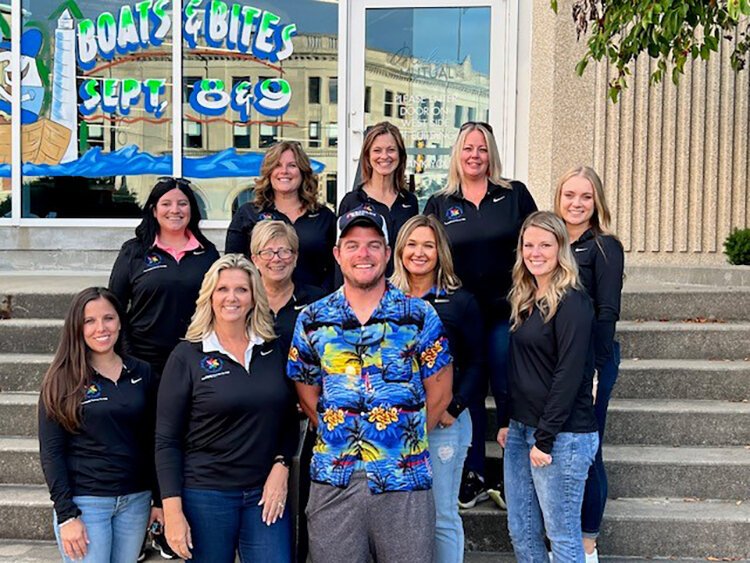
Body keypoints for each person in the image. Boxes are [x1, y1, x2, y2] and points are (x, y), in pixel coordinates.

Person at [287, 208, 453, 562]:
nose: (363, 254)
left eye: (373, 245)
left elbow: (440, 391)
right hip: (335, 478)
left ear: (387, 253)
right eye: (353, 245)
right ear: (337, 254)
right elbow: (305, 390)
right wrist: (339, 429)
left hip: (404, 479)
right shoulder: (312, 320)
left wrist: (401, 439)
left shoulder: (419, 315)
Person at [155, 254, 298, 563]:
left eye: (241, 290)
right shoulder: (187, 356)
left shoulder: (273, 349)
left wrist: (281, 464)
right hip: (206, 496)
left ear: (254, 297)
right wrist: (173, 510)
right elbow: (166, 441)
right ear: (210, 296)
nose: (231, 298)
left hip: (265, 495)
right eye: (222, 289)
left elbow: (288, 417)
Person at [424, 121, 537, 509]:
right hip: (459, 313)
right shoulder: (440, 202)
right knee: (467, 389)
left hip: (507, 308)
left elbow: (537, 241)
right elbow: (428, 253)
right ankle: (471, 474)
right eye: (468, 149)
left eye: (482, 149)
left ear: (492, 154)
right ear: (458, 153)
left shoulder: (513, 195)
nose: (475, 156)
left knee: (506, 381)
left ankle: (509, 475)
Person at [497, 211, 599, 562]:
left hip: (561, 437)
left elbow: (568, 375)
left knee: (562, 537)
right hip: (522, 430)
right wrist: (508, 421)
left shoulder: (573, 302)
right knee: (521, 531)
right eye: (528, 245)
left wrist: (544, 438)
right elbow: (523, 368)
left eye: (545, 244)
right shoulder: (526, 298)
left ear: (561, 249)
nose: (535, 252)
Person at [38, 287, 161, 563]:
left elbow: (155, 440)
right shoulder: (61, 379)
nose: (101, 328)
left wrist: (160, 500)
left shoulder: (142, 372)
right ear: (76, 327)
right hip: (86, 503)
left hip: (135, 501)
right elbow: (52, 453)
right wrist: (67, 514)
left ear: (120, 321)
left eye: (108, 318)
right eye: (89, 321)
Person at [391, 214, 484, 563]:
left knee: (442, 514)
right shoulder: (384, 298)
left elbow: (477, 363)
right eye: (412, 244)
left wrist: (453, 407)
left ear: (440, 251)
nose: (419, 252)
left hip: (445, 423)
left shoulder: (461, 301)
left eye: (428, 245)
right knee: (397, 515)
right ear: (400, 250)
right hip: (394, 426)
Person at [554, 166, 624, 563]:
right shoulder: (549, 241)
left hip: (591, 363)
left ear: (596, 201)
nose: (576, 204)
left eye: (585, 196)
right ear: (558, 198)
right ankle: (560, 541)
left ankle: (586, 545)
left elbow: (607, 311)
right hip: (553, 363)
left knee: (588, 451)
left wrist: (596, 369)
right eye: (569, 195)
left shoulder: (605, 247)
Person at [109, 176, 220, 376]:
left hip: (195, 357)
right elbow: (114, 305)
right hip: (144, 360)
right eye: (166, 204)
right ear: (154, 210)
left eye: (182, 204)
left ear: (192, 210)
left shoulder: (208, 253)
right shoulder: (134, 252)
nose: (175, 210)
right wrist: (126, 354)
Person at [225, 141, 336, 291]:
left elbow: (334, 268)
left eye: (292, 165)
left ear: (302, 171)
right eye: (277, 165)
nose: (284, 171)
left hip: (314, 306)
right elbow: (233, 267)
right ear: (269, 172)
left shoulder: (324, 216)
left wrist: (322, 299)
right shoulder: (248, 214)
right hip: (261, 305)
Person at [338, 122, 418, 273]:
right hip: (364, 289)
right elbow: (342, 258)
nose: (384, 156)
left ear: (400, 155)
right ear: (367, 156)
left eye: (391, 150)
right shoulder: (352, 202)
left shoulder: (409, 201)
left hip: (403, 290)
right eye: (377, 150)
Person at [250, 220, 325, 351]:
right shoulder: (244, 301)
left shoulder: (318, 302)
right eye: (267, 252)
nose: (276, 258)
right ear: (255, 260)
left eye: (284, 251)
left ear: (295, 257)